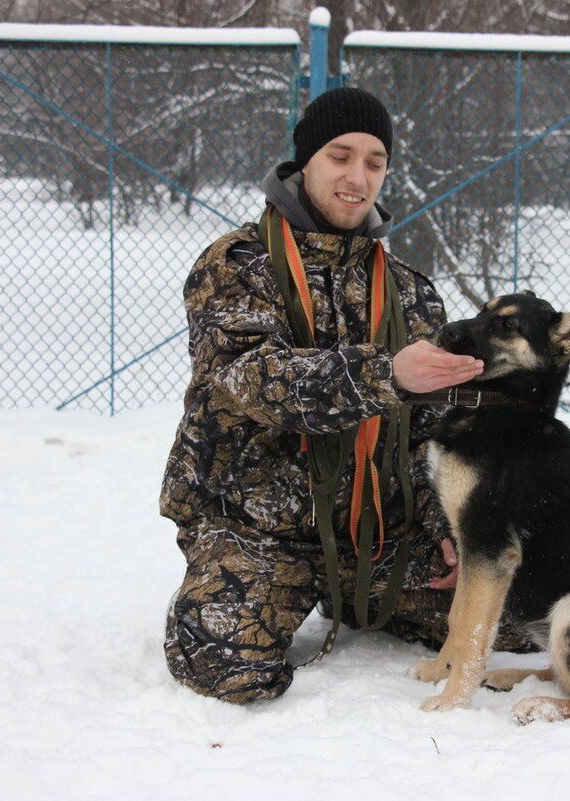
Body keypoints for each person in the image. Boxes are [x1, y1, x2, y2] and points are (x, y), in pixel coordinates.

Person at [160, 87, 528, 704]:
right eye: (340, 155)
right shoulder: (236, 265)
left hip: (380, 533)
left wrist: (449, 525)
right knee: (225, 671)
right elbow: (249, 378)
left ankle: (357, 596)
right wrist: (387, 372)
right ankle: (284, 590)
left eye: (375, 162)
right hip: (259, 529)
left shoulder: (410, 291)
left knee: (521, 617)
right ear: (306, 160)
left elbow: (432, 430)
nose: (358, 177)